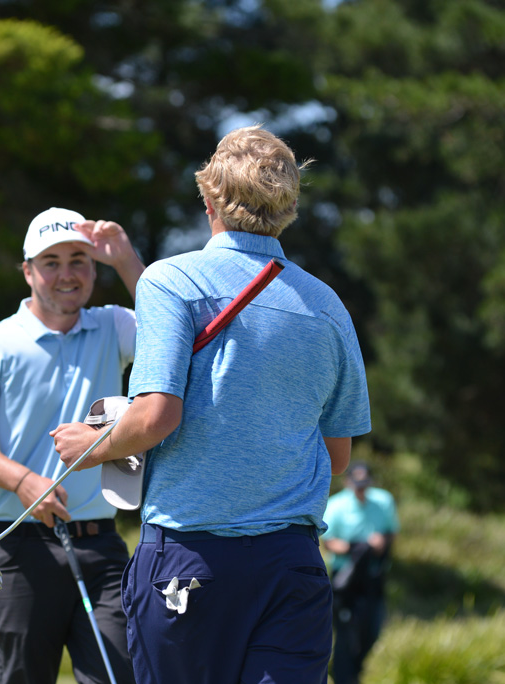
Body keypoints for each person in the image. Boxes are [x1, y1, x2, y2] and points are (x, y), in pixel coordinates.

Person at [52, 125, 372, 684]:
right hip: (292, 567)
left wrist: (91, 446)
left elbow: (158, 415)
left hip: (190, 561)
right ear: (288, 207)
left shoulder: (170, 281)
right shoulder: (329, 307)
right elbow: (338, 456)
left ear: (209, 199)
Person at [0, 207, 145, 684]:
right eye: (51, 262)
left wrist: (126, 260)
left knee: (121, 674)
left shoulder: (114, 326)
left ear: (94, 268)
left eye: (79, 260)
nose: (67, 274)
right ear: (28, 271)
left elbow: (176, 332)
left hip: (100, 543)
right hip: (16, 545)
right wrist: (23, 481)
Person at [322, 461, 399, 684]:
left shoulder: (384, 501)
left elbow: (392, 532)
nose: (360, 490)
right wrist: (356, 547)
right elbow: (328, 541)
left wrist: (381, 543)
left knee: (372, 630)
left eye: (364, 485)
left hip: (373, 577)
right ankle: (343, 677)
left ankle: (353, 671)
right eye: (357, 485)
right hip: (346, 579)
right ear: (347, 483)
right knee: (346, 633)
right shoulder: (336, 505)